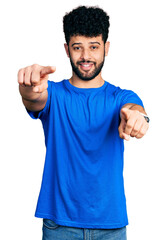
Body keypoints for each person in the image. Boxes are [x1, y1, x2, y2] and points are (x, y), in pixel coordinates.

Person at [18, 5, 149, 240]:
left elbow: (135, 109)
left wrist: (139, 117)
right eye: (78, 47)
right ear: (67, 49)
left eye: (94, 47)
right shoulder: (54, 94)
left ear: (106, 48)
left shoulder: (121, 97)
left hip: (111, 226)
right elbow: (35, 98)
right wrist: (28, 88)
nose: (86, 56)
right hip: (59, 226)